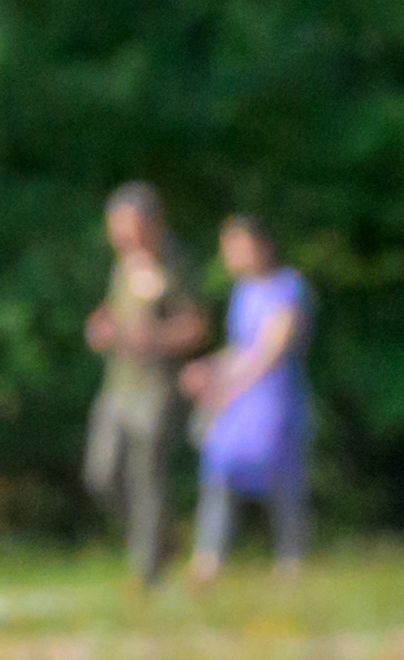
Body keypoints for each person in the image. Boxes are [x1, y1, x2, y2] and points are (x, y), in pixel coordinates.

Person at [76, 180, 195, 595]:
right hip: (118, 387)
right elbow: (116, 311)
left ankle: (149, 575)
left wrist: (152, 340)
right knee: (102, 474)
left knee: (148, 479)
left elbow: (195, 325)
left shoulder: (173, 262)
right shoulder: (122, 265)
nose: (121, 236)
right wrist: (102, 326)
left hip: (155, 388)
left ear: (152, 222)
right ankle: (161, 538)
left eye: (128, 226)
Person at [190, 212, 314, 577]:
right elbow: (240, 347)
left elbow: (272, 349)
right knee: (218, 471)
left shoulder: (288, 286)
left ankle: (290, 562)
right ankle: (208, 560)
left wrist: (229, 383)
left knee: (283, 479)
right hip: (238, 399)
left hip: (272, 399)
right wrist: (209, 369)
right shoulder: (241, 292)